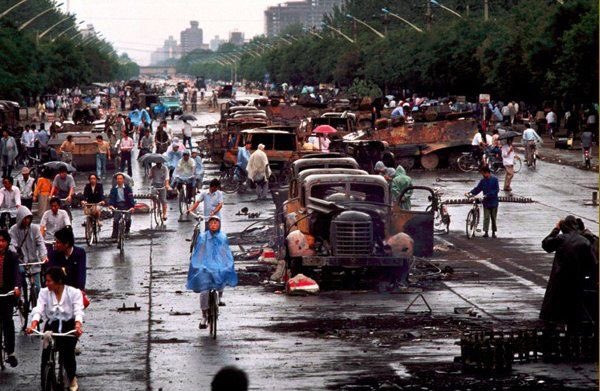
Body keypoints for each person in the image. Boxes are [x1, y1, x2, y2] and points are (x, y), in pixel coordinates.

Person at [26, 267, 84, 391]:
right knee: (46, 353)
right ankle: (44, 380)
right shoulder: (44, 292)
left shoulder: (73, 292)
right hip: (52, 326)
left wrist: (78, 325)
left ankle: (72, 377)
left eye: (49, 281)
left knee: (68, 352)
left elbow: (78, 310)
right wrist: (33, 324)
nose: (46, 284)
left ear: (59, 281)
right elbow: (39, 309)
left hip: (69, 325)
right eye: (45, 281)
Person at [540, 216, 597, 327]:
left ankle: (553, 326)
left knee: (555, 310)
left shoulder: (561, 238)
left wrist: (555, 229)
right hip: (577, 279)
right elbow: (592, 263)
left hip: (559, 277)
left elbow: (546, 244)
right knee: (574, 310)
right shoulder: (585, 241)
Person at [186, 215, 238, 329]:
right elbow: (199, 253)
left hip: (218, 265)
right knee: (204, 291)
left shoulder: (223, 237)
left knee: (222, 277)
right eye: (211, 223)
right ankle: (204, 316)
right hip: (205, 266)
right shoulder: (203, 237)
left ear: (219, 225)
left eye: (216, 223)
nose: (214, 225)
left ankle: (220, 297)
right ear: (208, 225)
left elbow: (225, 253)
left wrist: (227, 264)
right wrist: (197, 264)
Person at [9, 206, 48, 292]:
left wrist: (43, 256)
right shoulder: (13, 230)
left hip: (34, 261)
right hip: (21, 262)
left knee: (38, 287)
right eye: (25, 218)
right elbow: (12, 244)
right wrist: (15, 254)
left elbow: (40, 243)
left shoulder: (34, 229)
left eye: (28, 218)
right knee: (21, 283)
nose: (27, 221)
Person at [0, 229, 21, 367]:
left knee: (8, 320)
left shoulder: (12, 257)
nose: (0, 243)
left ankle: (11, 351)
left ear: (7, 242)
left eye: (2, 241)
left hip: (7, 294)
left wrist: (16, 287)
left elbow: (17, 275)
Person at [466, 166, 500, 238]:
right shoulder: (482, 181)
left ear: (487, 173)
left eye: (483, 174)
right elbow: (478, 189)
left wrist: (488, 195)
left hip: (493, 201)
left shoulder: (495, 180)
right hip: (486, 202)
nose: (483, 175)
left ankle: (494, 232)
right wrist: (470, 193)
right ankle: (486, 231)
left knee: (493, 218)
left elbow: (496, 190)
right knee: (486, 217)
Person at [108, 173, 136, 239]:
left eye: (120, 179)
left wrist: (132, 207)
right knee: (116, 220)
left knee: (127, 218)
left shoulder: (128, 188)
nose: (119, 180)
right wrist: (111, 205)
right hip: (117, 205)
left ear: (123, 180)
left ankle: (127, 230)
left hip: (126, 205)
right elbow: (111, 198)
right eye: (118, 179)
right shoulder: (113, 189)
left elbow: (131, 198)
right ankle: (115, 233)